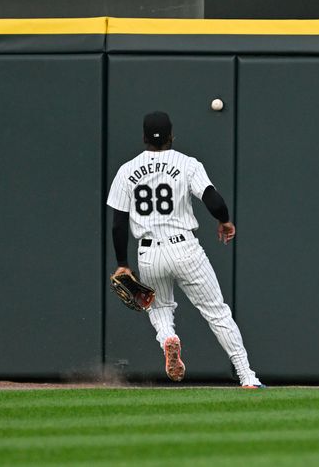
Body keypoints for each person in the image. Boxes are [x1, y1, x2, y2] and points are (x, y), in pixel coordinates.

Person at [106, 111, 265, 389]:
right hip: (185, 248)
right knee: (217, 312)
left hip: (149, 253)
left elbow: (118, 224)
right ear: (171, 136)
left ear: (144, 138)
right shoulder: (187, 163)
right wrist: (224, 220)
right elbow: (213, 199)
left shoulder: (126, 170)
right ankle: (247, 376)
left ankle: (168, 337)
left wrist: (122, 262)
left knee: (160, 308)